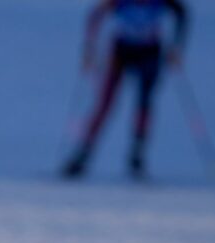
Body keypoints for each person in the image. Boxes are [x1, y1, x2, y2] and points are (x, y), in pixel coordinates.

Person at [62, 0, 189, 179]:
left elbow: (182, 13)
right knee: (104, 104)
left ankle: (137, 159)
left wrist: (177, 47)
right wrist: (89, 49)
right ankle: (82, 156)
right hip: (122, 50)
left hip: (149, 52)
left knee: (144, 104)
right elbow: (95, 15)